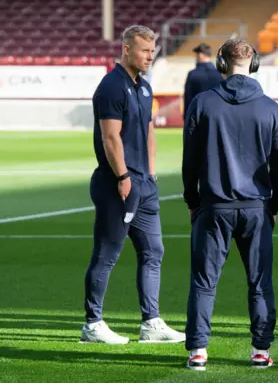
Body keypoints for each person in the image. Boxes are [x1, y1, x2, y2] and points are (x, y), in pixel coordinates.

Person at [182, 39, 278, 371]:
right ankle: (260, 350)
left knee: (203, 281)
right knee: (260, 281)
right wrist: (275, 204)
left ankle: (198, 350)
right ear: (253, 63)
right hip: (256, 207)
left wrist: (192, 200)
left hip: (214, 206)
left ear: (220, 63)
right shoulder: (271, 107)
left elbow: (190, 161)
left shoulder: (202, 103)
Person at [81, 25, 185, 345]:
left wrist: (150, 175)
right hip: (118, 185)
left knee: (153, 251)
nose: (149, 56)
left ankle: (151, 323)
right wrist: (124, 177)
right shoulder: (111, 87)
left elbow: (149, 130)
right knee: (107, 254)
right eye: (144, 51)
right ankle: (93, 324)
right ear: (127, 50)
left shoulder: (145, 87)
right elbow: (110, 137)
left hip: (144, 184)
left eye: (152, 51)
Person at [183, 43, 223, 120]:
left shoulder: (193, 74)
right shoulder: (220, 74)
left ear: (201, 55)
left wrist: (186, 117)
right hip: (217, 116)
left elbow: (188, 98)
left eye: (196, 55)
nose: (196, 57)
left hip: (198, 117)